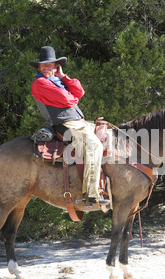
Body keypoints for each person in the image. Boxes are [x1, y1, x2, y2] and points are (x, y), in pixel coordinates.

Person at [30, 46, 109, 206]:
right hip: (65, 123)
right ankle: (92, 194)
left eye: (50, 65)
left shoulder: (57, 80)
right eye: (43, 65)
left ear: (56, 66)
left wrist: (63, 76)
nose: (46, 68)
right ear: (39, 67)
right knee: (94, 146)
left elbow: (79, 92)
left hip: (77, 121)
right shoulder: (40, 83)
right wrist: (71, 96)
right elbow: (68, 100)